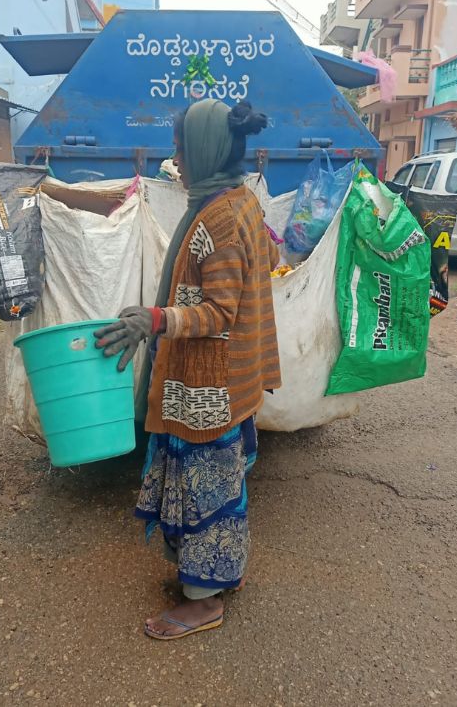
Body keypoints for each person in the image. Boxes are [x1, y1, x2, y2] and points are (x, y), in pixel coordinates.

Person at [94, 98, 281, 640]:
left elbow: (220, 311)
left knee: (203, 489)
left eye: (180, 149)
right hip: (235, 377)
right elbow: (265, 261)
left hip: (208, 386)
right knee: (223, 484)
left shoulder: (218, 219)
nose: (175, 159)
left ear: (205, 150)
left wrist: (156, 318)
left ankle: (204, 602)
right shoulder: (241, 202)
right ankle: (221, 574)